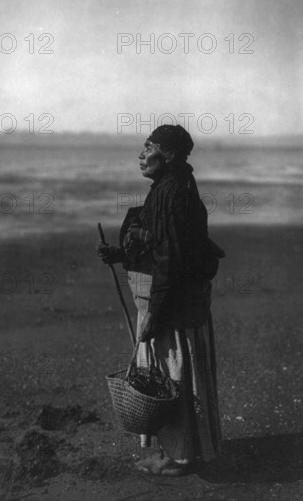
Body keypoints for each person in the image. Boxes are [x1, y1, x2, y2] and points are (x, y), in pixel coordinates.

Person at [97, 124, 223, 476]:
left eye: (148, 147)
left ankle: (179, 458)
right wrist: (122, 254)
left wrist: (155, 312)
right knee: (180, 375)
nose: (141, 154)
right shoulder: (176, 186)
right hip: (181, 302)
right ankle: (188, 450)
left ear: (166, 155)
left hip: (172, 306)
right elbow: (163, 246)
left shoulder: (171, 194)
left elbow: (170, 262)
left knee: (173, 375)